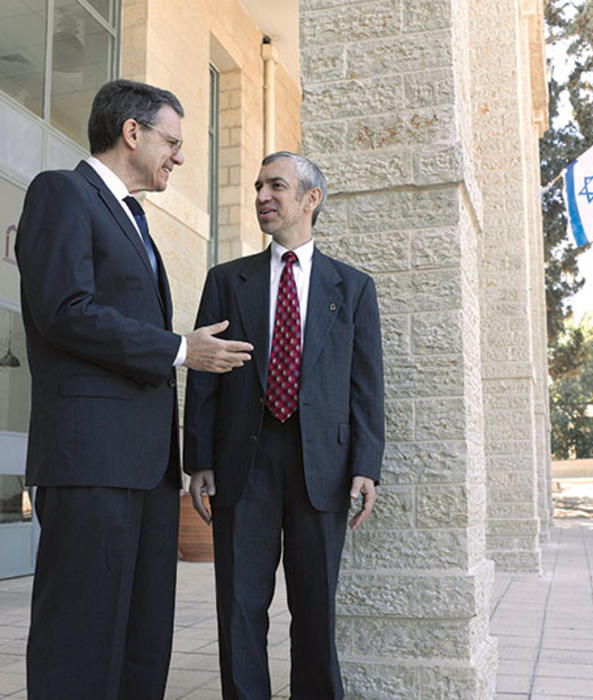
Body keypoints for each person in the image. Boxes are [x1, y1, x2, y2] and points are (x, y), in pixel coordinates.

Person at [15, 78, 253, 700]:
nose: (178, 155)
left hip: (148, 468)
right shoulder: (62, 193)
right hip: (91, 460)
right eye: (172, 141)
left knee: (144, 634)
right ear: (132, 133)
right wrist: (180, 349)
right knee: (81, 634)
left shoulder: (135, 217)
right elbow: (64, 309)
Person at [184, 151, 385, 699]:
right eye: (257, 187)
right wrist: (198, 459)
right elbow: (204, 376)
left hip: (322, 464)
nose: (262, 197)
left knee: (315, 606)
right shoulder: (227, 281)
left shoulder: (353, 289)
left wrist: (367, 466)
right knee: (239, 603)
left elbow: (365, 385)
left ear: (310, 199)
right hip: (241, 462)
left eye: (276, 186)